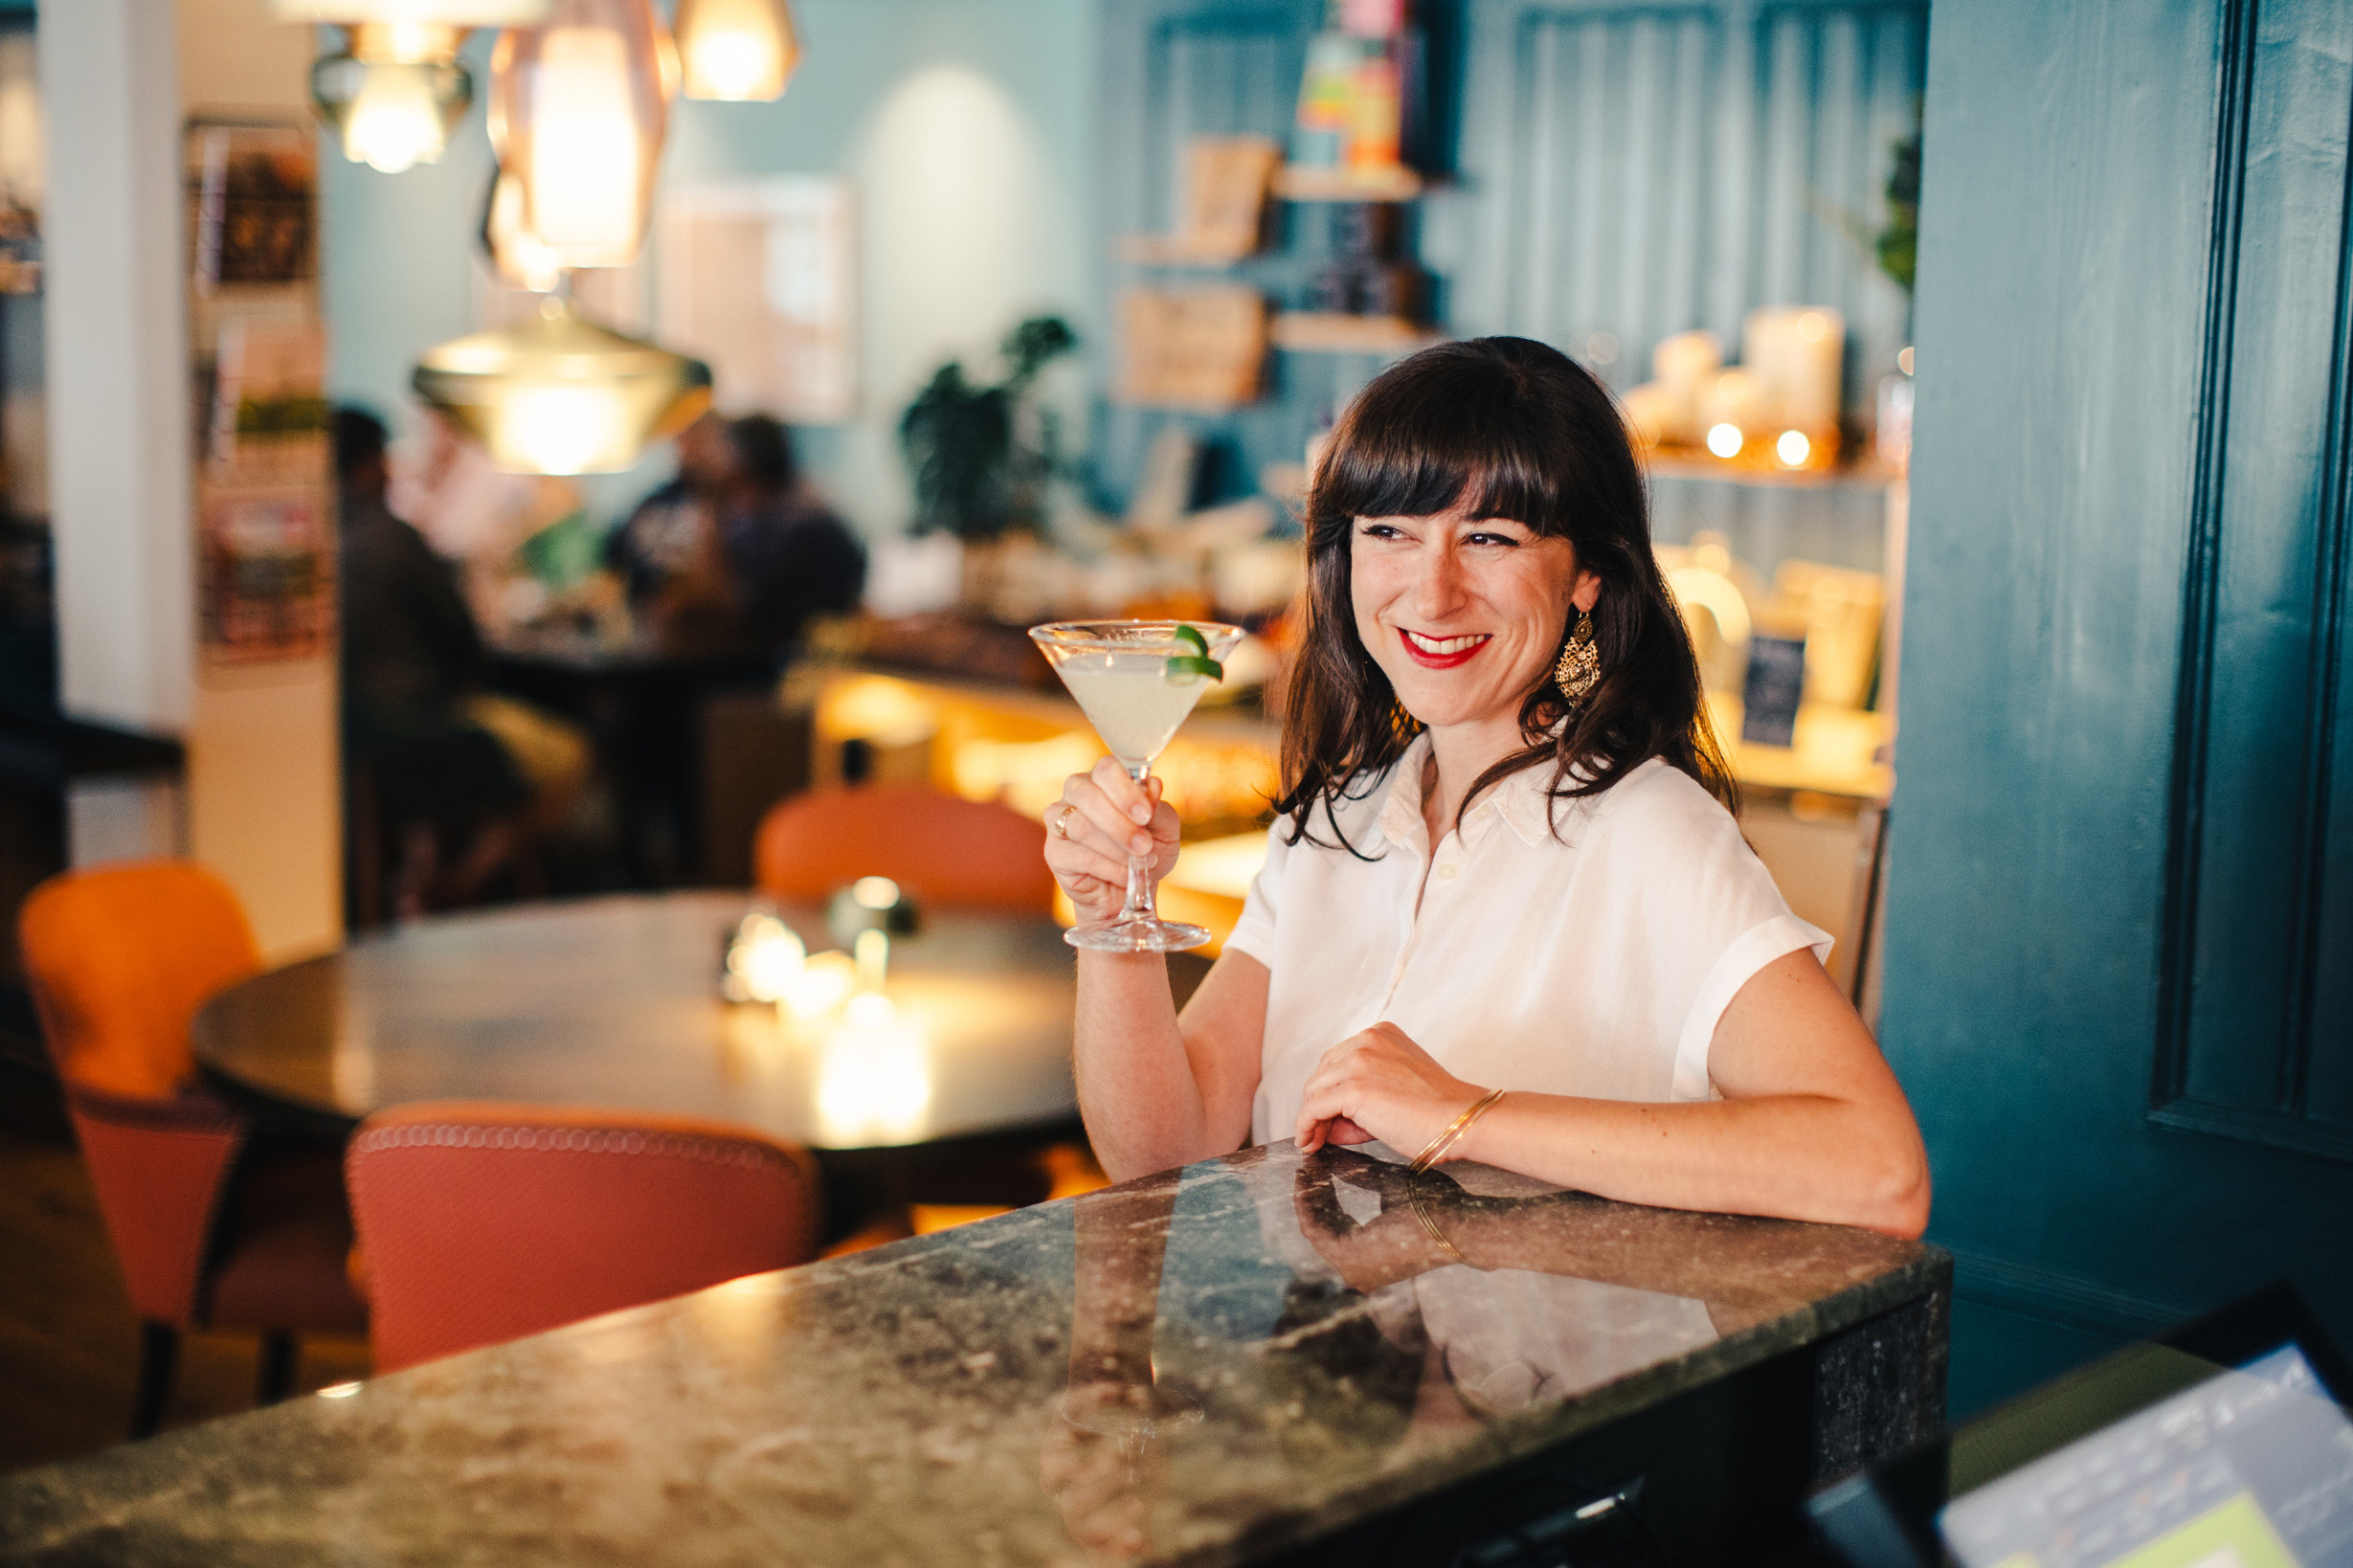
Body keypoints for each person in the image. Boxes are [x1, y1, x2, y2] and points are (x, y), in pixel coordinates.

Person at [1042, 338, 1929, 1237]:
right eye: (1390, 532)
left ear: (1588, 575)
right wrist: (1113, 918)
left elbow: (1878, 1169)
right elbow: (1162, 1154)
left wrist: (1463, 1116)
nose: (1433, 594)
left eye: (1490, 539)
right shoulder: (1333, 824)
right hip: (1312, 1330)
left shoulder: (1650, 831)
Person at [336, 407, 589, 915]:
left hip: (355, 736)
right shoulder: (393, 537)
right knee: (570, 754)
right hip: (424, 725)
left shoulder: (322, 537)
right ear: (368, 465)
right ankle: (462, 882)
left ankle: (434, 875)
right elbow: (462, 635)